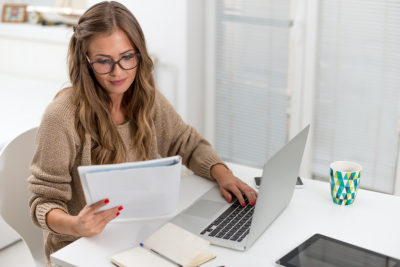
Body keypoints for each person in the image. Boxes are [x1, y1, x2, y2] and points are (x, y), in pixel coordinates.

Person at [28, 1, 257, 265]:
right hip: (80, 249)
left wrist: (223, 174)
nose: (118, 72)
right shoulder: (62, 116)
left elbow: (186, 142)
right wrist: (76, 225)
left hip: (139, 238)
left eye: (127, 57)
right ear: (86, 61)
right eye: (104, 61)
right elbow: (42, 200)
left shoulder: (145, 98)